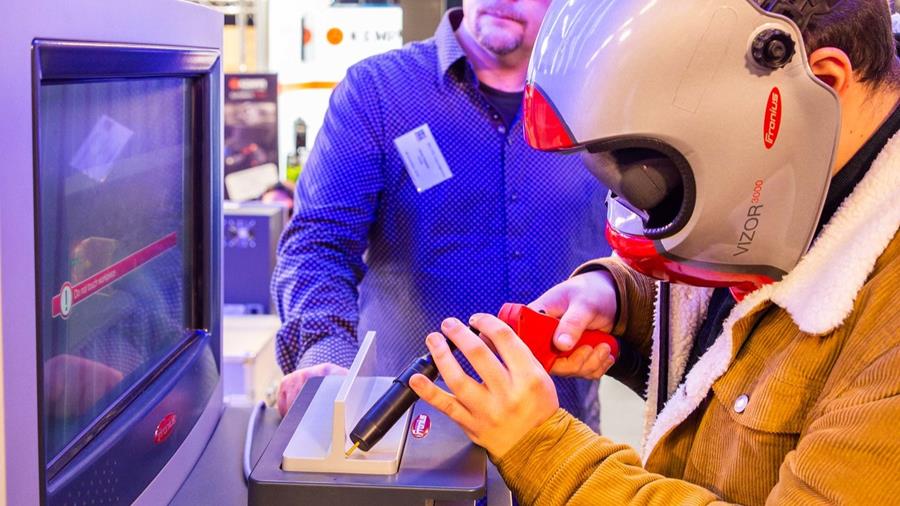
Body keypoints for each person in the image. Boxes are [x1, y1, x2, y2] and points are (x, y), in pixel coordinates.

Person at [410, 0, 900, 504]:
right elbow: (748, 337)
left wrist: (539, 447)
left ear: (822, 81)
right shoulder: (798, 183)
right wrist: (620, 300)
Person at [271, 0, 613, 422]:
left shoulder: (603, 101)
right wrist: (328, 357)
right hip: (403, 424)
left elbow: (640, 260)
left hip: (560, 429)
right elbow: (319, 244)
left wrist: (615, 321)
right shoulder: (378, 91)